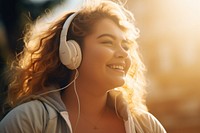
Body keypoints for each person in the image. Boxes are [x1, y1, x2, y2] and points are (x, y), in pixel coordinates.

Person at [0, 0, 167, 132]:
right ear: (71, 52)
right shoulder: (27, 121)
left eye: (125, 45)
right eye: (108, 42)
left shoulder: (147, 126)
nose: (123, 53)